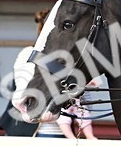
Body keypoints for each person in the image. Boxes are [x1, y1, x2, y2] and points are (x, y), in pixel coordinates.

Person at [9, 9, 100, 139]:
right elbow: (28, 88)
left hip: (65, 130)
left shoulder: (67, 58)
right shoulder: (29, 53)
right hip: (38, 131)